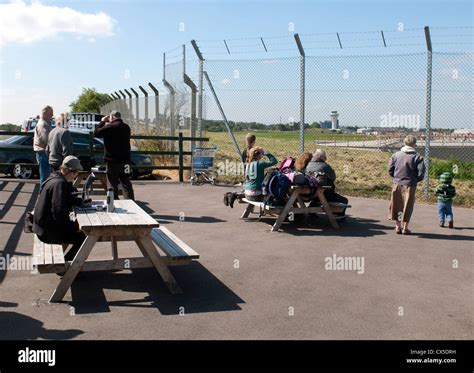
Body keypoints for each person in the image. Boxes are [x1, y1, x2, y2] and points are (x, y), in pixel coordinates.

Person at [33, 156, 87, 261]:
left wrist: (79, 202)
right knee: (84, 237)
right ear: (71, 172)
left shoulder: (55, 177)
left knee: (79, 233)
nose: (76, 176)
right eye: (76, 173)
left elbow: (65, 201)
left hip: (42, 226)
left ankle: (67, 264)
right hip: (46, 231)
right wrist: (74, 227)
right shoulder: (59, 184)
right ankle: (67, 268)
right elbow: (59, 213)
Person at [388, 135, 425, 235]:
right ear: (414, 145)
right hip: (410, 184)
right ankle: (405, 227)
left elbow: (390, 170)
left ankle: (397, 226)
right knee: (407, 205)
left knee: (397, 205)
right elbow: (421, 173)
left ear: (404, 143)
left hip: (397, 183)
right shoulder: (418, 157)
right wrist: (416, 180)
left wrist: (395, 177)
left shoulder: (396, 155)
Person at [94, 110, 135, 200]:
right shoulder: (126, 127)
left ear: (111, 117)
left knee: (112, 184)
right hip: (126, 161)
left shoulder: (110, 127)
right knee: (126, 182)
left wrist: (103, 121)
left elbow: (96, 133)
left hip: (112, 161)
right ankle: (131, 201)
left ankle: (115, 203)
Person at [306, 149, 349, 215]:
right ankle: (338, 217)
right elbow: (333, 177)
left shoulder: (307, 164)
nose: (326, 159)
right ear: (321, 157)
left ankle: (312, 212)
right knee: (344, 200)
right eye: (325, 157)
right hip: (324, 194)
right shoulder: (324, 166)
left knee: (317, 198)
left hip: (311, 193)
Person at [33, 106, 53, 190]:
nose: (52, 115)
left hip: (42, 152)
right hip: (43, 152)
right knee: (45, 177)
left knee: (45, 176)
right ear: (45, 114)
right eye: (51, 113)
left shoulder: (43, 122)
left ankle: (43, 196)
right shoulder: (43, 124)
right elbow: (47, 139)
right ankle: (43, 196)